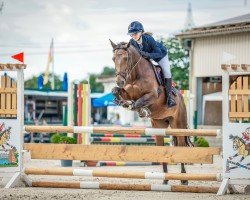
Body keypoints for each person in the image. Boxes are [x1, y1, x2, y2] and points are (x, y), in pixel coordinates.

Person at [127, 21, 176, 107]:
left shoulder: (148, 38)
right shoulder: (132, 42)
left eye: (135, 33)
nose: (133, 36)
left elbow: (159, 53)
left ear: (141, 32)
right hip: (147, 57)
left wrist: (147, 55)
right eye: (131, 34)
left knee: (167, 72)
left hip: (160, 56)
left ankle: (169, 98)